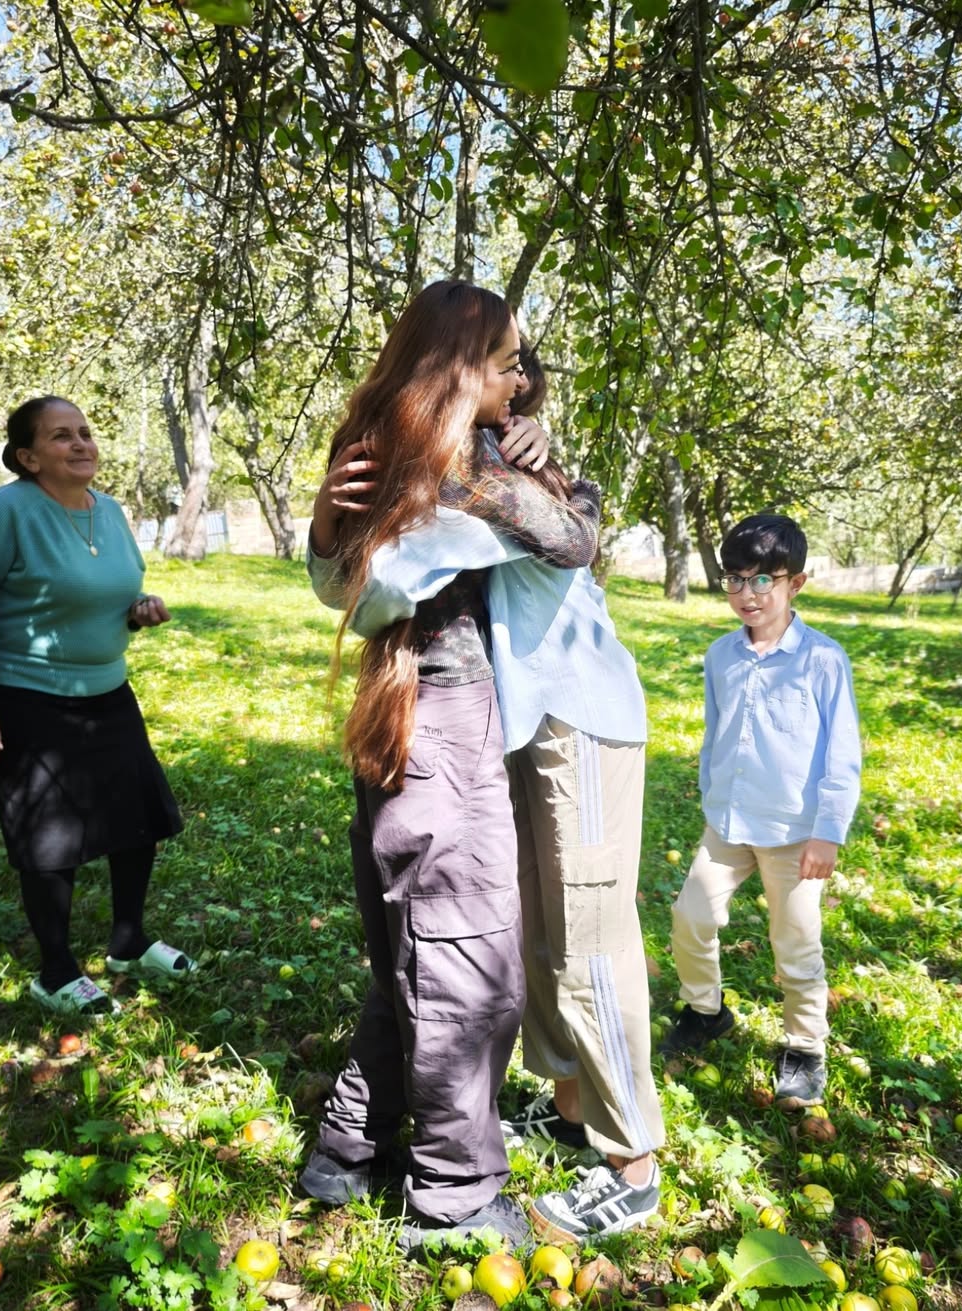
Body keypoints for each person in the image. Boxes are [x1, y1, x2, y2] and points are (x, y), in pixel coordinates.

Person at [337, 347, 666, 1244]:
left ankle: (634, 1164)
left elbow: (389, 584)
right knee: (540, 934)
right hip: (516, 725)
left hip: (576, 716)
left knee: (590, 941)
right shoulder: (480, 466)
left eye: (519, 381)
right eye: (500, 377)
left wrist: (447, 469)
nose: (510, 393)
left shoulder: (514, 480)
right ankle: (570, 1111)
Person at [302, 282, 601, 1251]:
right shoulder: (455, 462)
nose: (522, 383)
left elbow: (336, 581)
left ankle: (347, 1146)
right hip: (443, 724)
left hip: (399, 714)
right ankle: (455, 1192)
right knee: (469, 964)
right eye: (509, 366)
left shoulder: (381, 444)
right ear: (464, 369)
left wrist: (528, 441)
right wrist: (550, 471)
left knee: (416, 951)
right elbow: (575, 540)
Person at [0, 396, 194, 1017]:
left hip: (106, 690)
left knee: (137, 818)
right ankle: (55, 972)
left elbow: (111, 592)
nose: (80, 444)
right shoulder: (8, 512)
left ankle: (128, 943)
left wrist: (137, 611)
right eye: (60, 436)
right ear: (28, 457)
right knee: (50, 838)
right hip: (27, 697)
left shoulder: (109, 511)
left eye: (84, 432)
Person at [660, 513, 861, 1108]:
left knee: (795, 942)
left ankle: (805, 1046)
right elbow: (716, 733)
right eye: (735, 579)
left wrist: (827, 833)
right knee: (691, 916)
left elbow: (843, 753)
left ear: (795, 583)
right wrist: (711, 793)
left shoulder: (822, 660)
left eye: (762, 580)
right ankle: (706, 1010)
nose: (747, 594)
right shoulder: (721, 655)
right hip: (728, 823)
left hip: (794, 832)